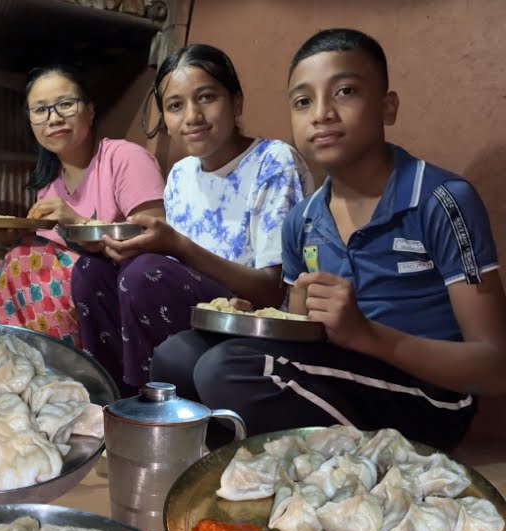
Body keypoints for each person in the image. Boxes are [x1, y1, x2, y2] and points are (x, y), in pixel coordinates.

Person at [151, 28, 506, 450]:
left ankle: (328, 474)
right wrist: (261, 321)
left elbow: (494, 367)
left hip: (430, 398)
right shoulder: (303, 221)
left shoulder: (440, 200)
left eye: (345, 92)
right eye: (303, 101)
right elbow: (303, 328)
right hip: (341, 375)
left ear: (387, 107)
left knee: (228, 369)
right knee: (177, 356)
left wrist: (368, 334)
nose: (322, 114)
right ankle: (234, 476)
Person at [76, 44, 314, 396]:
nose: (192, 116)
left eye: (205, 98)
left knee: (144, 275)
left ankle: (153, 406)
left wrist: (177, 246)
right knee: (90, 271)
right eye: (175, 106)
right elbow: (172, 274)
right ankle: (113, 398)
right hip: (196, 312)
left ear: (236, 103)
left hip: (252, 318)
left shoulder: (274, 162)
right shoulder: (182, 174)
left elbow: (271, 290)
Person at [0, 64, 165, 346]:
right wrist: (15, 237)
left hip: (110, 286)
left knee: (26, 259)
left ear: (90, 111)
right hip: (58, 294)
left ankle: (58, 368)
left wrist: (76, 221)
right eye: (40, 110)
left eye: (66, 105)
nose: (54, 118)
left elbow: (155, 241)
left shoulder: (124, 158)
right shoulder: (48, 184)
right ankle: (1, 366)